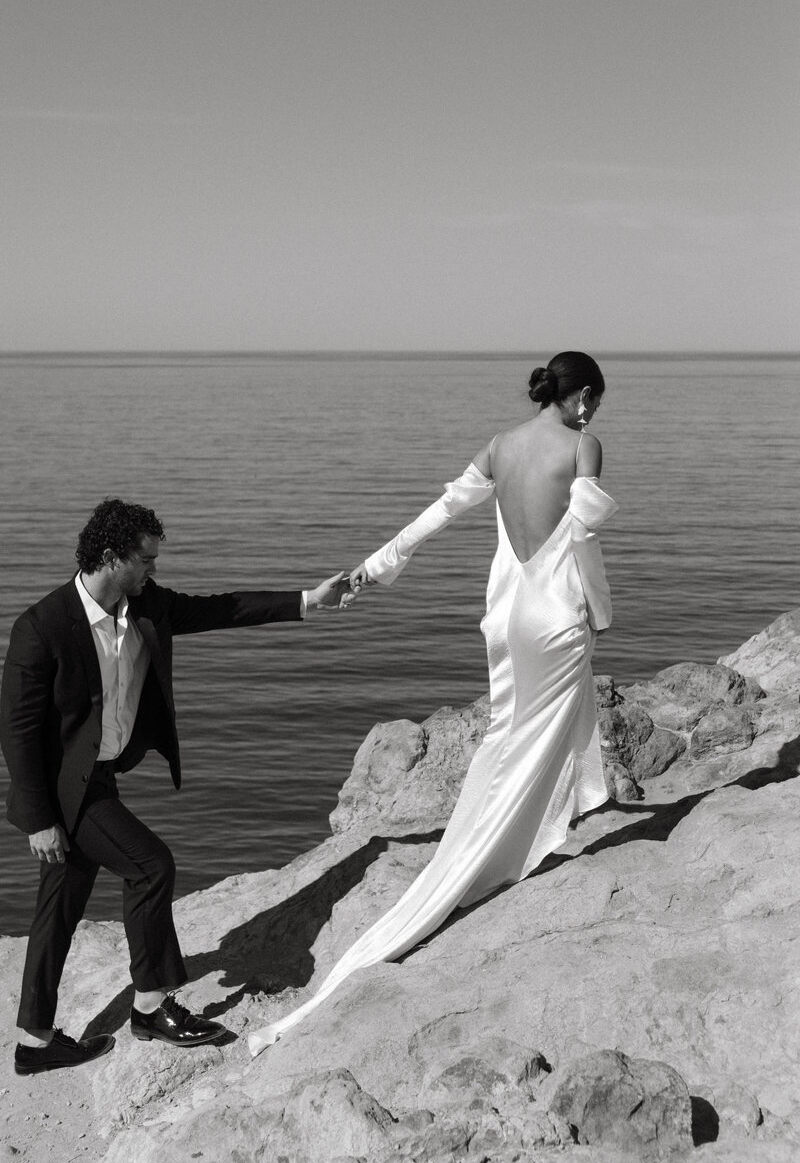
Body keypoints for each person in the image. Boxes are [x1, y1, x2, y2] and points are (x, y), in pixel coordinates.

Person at [248, 351, 618, 1056]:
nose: (593, 413)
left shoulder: (499, 445)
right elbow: (583, 542)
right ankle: (498, 851)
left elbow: (442, 512)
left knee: (511, 732)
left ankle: (507, 837)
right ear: (584, 397)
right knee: (534, 736)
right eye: (593, 402)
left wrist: (376, 566)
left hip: (505, 619)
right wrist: (601, 613)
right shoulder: (583, 443)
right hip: (554, 615)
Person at [1, 498, 351, 1075]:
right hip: (67, 794)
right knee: (150, 865)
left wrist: (309, 599)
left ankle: (35, 1045)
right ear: (110, 557)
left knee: (57, 910)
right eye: (145, 560)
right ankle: (150, 1007)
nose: (153, 570)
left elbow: (220, 609)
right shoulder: (42, 627)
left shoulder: (144, 605)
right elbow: (15, 730)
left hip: (102, 777)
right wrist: (40, 820)